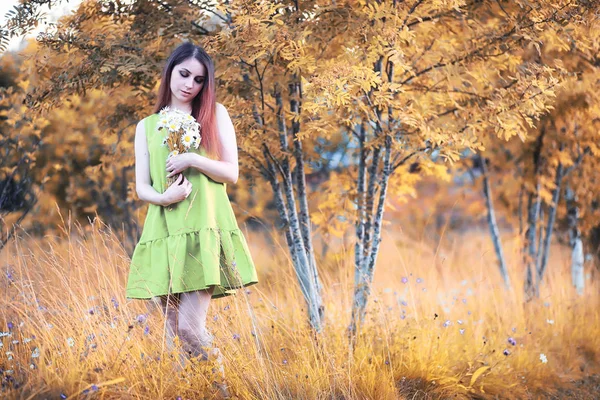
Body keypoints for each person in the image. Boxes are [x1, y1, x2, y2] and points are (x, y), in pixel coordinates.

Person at [125, 41, 259, 374]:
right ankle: (194, 390)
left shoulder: (214, 114)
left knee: (190, 329)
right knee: (173, 336)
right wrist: (163, 198)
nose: (190, 85)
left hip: (202, 230)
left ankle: (228, 391)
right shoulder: (146, 126)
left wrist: (194, 159)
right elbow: (143, 186)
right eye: (184, 74)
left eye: (198, 80)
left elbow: (232, 172)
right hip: (165, 229)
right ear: (170, 71)